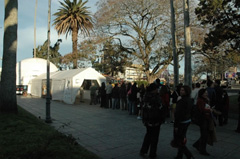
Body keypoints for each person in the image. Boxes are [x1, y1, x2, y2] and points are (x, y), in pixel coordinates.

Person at [140, 83, 165, 159]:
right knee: (155, 137)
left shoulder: (145, 96)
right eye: (157, 89)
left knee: (148, 135)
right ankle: (152, 153)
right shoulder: (156, 97)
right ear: (154, 90)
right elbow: (161, 108)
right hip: (155, 119)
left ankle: (143, 150)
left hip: (147, 119)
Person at [193, 88, 217, 156]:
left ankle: (197, 145)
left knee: (205, 134)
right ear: (201, 94)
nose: (206, 94)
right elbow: (202, 110)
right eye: (204, 93)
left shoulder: (205, 100)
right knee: (204, 135)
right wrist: (209, 110)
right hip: (202, 120)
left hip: (206, 119)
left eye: (206, 93)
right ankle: (202, 149)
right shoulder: (200, 101)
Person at [173, 85, 194, 159]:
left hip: (181, 122)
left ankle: (189, 155)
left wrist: (176, 125)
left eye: (183, 90)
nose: (181, 91)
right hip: (187, 120)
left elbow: (178, 114)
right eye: (181, 90)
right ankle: (179, 155)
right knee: (182, 138)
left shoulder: (181, 101)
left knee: (179, 141)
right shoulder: (190, 99)